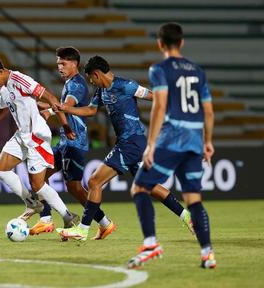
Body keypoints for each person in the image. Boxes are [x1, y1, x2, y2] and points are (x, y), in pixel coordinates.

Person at [55, 55, 193, 241]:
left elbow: (154, 97)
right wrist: (67, 109)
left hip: (132, 142)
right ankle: (187, 217)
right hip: (128, 143)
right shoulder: (101, 91)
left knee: (95, 182)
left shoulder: (126, 86)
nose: (91, 82)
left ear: (96, 74)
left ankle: (82, 229)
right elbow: (91, 110)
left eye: (91, 78)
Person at [127, 23, 216, 269]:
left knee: (140, 188)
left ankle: (151, 243)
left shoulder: (160, 69)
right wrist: (208, 141)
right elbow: (208, 111)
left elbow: (160, 106)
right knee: (193, 198)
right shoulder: (198, 71)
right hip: (195, 140)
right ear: (182, 42)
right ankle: (207, 253)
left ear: (160, 43)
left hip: (172, 137)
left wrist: (151, 144)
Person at [0, 56, 79, 228]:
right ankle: (33, 204)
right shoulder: (1, 87)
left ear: (1, 71)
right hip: (22, 135)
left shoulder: (20, 79)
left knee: (38, 185)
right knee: (1, 171)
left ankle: (67, 216)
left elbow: (50, 96)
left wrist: (65, 125)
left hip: (36, 136)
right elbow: (1, 110)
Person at [31, 47, 116, 240]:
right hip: (64, 143)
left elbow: (66, 106)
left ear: (75, 64)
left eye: (64, 63)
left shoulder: (77, 84)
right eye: (58, 63)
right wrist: (41, 105)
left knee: (75, 188)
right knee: (39, 178)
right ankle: (46, 219)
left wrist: (50, 112)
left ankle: (104, 223)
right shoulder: (70, 83)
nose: (60, 67)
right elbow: (63, 107)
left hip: (73, 142)